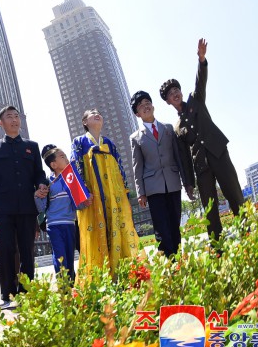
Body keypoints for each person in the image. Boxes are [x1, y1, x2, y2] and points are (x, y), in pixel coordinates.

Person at [160, 39, 245, 241]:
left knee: (234, 194)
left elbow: (201, 80)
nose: (175, 94)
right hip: (202, 167)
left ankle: (248, 231)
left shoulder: (196, 99)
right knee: (210, 208)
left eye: (176, 90)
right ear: (168, 101)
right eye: (171, 94)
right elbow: (184, 159)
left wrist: (201, 60)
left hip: (218, 153)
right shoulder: (177, 128)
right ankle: (217, 245)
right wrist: (188, 184)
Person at [0, 105, 48, 311]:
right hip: (3, 208)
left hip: (27, 207)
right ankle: (7, 294)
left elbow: (39, 172)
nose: (14, 120)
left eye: (16, 116)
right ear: (1, 123)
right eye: (9, 117)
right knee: (5, 250)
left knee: (27, 250)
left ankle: (27, 292)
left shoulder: (32, 146)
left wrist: (41, 184)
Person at [70, 109, 139, 277]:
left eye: (98, 112)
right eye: (91, 113)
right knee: (96, 234)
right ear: (85, 122)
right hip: (92, 198)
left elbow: (120, 169)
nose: (96, 114)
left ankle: (120, 272)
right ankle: (101, 275)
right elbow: (75, 168)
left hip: (112, 196)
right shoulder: (79, 142)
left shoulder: (109, 143)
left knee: (116, 227)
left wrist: (125, 194)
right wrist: (84, 194)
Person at [130, 91, 194, 257]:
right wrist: (140, 193)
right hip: (153, 188)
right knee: (161, 227)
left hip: (173, 182)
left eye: (147, 102)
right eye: (140, 105)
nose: (145, 106)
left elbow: (178, 156)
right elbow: (137, 166)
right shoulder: (135, 138)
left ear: (153, 106)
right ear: (137, 114)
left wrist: (186, 182)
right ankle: (168, 262)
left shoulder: (168, 129)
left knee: (174, 224)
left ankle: (178, 259)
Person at [37, 145, 92, 282]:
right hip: (54, 225)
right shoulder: (47, 183)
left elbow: (78, 204)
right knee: (60, 255)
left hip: (70, 224)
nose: (66, 158)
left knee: (68, 254)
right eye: (62, 156)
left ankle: (71, 283)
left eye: (65, 155)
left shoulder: (72, 180)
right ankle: (64, 285)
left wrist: (86, 201)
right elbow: (41, 207)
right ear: (53, 164)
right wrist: (37, 195)